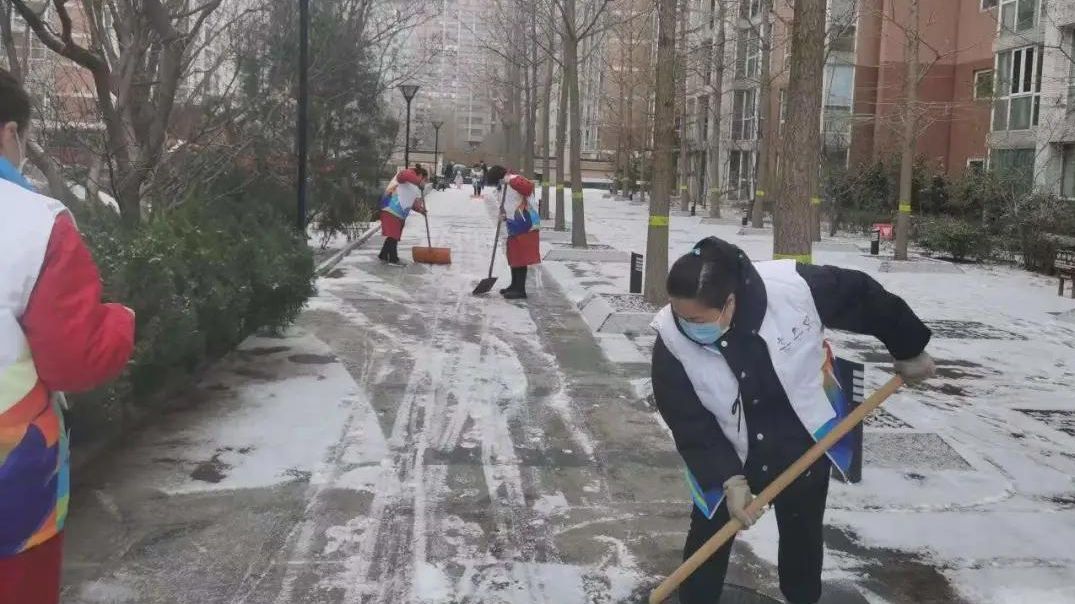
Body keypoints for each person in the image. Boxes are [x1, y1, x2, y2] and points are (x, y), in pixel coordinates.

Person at [650, 236, 935, 604]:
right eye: (679, 315)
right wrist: (726, 476)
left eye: (696, 320)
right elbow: (687, 419)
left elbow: (861, 296)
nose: (686, 325)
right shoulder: (671, 340)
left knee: (802, 537)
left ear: (729, 303)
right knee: (708, 537)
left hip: (801, 438)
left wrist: (909, 346)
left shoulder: (793, 289)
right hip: (726, 447)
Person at [0, 68, 135, 604]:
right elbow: (75, 360)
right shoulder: (34, 224)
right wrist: (121, 319)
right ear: (10, 133)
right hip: (11, 492)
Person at [486, 165, 540, 299]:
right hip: (513, 224)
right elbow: (508, 203)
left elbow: (528, 188)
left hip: (524, 223)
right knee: (514, 256)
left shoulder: (515, 179)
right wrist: (503, 214)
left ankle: (520, 290)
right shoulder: (502, 186)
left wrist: (510, 180)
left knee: (521, 258)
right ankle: (514, 285)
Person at [377, 167, 427, 265]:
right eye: (425, 179)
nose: (425, 182)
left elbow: (412, 202)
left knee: (393, 236)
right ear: (420, 175)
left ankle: (383, 255)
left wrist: (421, 210)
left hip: (398, 213)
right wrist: (418, 182)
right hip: (390, 208)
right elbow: (403, 175)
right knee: (393, 235)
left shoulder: (413, 187)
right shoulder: (407, 174)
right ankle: (393, 259)